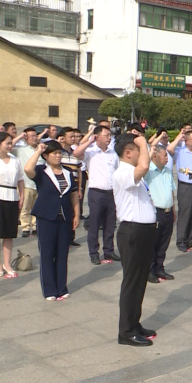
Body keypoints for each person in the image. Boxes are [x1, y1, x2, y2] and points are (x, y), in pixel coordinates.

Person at [112, 133, 157, 346]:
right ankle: (126, 331)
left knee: (140, 282)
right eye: (138, 150)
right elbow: (145, 167)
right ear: (128, 153)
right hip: (132, 232)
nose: (142, 155)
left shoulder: (132, 174)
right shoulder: (123, 172)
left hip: (144, 231)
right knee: (132, 283)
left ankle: (134, 322)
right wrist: (142, 142)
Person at [24, 141, 80, 300]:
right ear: (46, 156)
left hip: (64, 218)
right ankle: (49, 290)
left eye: (59, 153)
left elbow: (73, 195)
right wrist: (38, 151)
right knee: (47, 254)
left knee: (63, 253)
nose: (57, 156)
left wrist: (76, 214)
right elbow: (27, 169)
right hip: (47, 218)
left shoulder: (68, 172)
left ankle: (62, 287)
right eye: (54, 153)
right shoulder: (42, 171)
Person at [74, 126, 119, 265]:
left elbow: (117, 172)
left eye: (110, 135)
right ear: (97, 137)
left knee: (110, 224)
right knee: (94, 224)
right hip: (96, 193)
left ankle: (109, 251)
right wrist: (90, 140)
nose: (109, 138)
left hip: (111, 193)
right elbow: (76, 153)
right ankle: (94, 253)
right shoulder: (90, 152)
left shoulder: (113, 154)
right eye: (106, 135)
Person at [168, 130, 192, 253]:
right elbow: (169, 149)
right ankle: (181, 240)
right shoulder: (180, 152)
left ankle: (191, 239)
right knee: (186, 213)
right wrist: (179, 137)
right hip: (186, 186)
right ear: (186, 140)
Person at [144, 145, 176, 283]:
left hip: (168, 212)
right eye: (164, 156)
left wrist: (173, 209)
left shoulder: (168, 171)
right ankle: (149, 271)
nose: (167, 158)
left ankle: (159, 268)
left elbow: (171, 191)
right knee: (153, 243)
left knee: (164, 243)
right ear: (155, 156)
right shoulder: (148, 172)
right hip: (156, 212)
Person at [0, 132, 24, 278]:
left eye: (11, 143)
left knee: (8, 234)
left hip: (12, 197)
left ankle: (7, 263)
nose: (10, 146)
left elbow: (20, 180)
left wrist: (22, 196)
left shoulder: (15, 160)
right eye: (7, 143)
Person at [13, 127, 40, 237]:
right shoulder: (21, 150)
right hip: (26, 183)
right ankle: (25, 227)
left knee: (36, 207)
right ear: (26, 138)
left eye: (35, 135)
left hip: (38, 184)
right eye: (31, 136)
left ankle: (34, 226)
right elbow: (9, 148)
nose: (34, 138)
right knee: (25, 207)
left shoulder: (40, 149)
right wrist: (20, 136)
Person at [58, 127, 83, 247]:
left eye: (74, 136)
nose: (73, 139)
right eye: (71, 136)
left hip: (73, 187)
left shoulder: (75, 153)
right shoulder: (58, 153)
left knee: (73, 212)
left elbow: (79, 171)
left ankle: (70, 237)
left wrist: (79, 188)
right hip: (62, 187)